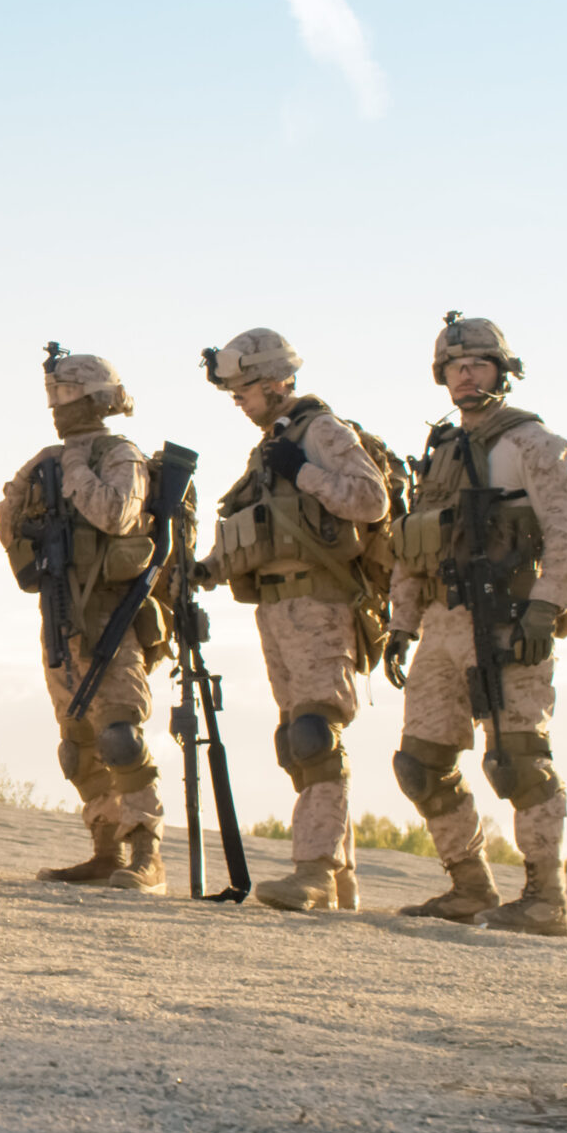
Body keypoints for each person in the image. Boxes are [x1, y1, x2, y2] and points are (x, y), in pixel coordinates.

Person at [387, 314, 567, 937]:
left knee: (518, 760)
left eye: (476, 364)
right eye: (454, 368)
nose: (465, 376)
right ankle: (469, 884)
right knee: (421, 764)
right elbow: (414, 544)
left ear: (502, 370)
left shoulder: (533, 443)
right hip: (444, 620)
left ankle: (544, 898)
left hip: (507, 617)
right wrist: (401, 623)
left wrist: (545, 607)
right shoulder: (443, 450)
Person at [191, 329, 392, 912]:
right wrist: (203, 572)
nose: (237, 399)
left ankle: (314, 872)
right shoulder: (270, 445)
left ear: (274, 381)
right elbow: (259, 528)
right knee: (296, 743)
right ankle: (339, 879)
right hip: (278, 608)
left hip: (322, 604)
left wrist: (304, 470)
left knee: (315, 735)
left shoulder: (322, 433)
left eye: (243, 388)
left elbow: (369, 501)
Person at [0, 348, 170, 893]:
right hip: (61, 610)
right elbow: (7, 514)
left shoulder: (119, 454)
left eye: (68, 393)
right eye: (52, 393)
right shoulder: (48, 458)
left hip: (112, 613)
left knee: (120, 733)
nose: (58, 405)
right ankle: (105, 846)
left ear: (97, 398)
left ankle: (147, 850)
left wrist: (72, 466)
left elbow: (116, 514)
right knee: (79, 742)